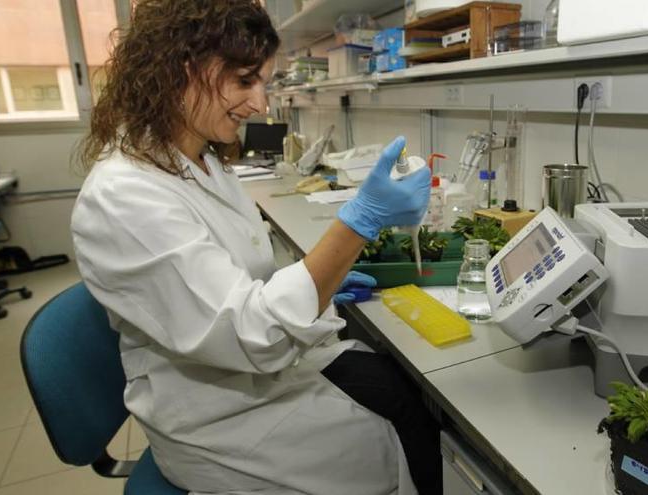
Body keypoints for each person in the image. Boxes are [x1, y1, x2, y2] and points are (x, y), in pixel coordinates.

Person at [70, 1, 440, 494]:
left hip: (251, 372)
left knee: (400, 389)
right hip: (216, 418)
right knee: (400, 436)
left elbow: (228, 284)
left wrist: (318, 281)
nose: (261, 104)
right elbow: (249, 333)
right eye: (245, 80)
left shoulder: (198, 160)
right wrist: (358, 225)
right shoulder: (124, 196)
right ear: (185, 70)